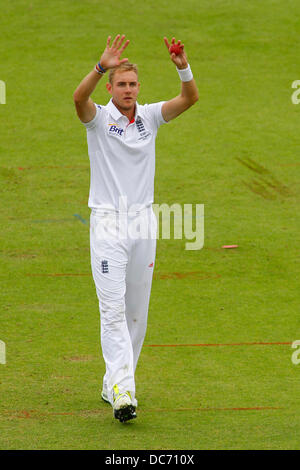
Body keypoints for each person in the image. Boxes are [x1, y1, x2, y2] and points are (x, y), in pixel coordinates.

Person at [73, 34, 199, 422]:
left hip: (144, 222)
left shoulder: (149, 116)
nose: (127, 90)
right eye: (121, 84)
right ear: (111, 88)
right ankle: (125, 392)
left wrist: (182, 66)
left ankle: (114, 380)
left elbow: (190, 98)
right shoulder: (98, 120)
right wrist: (100, 66)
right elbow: (79, 100)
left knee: (135, 314)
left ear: (138, 88)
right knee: (111, 310)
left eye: (132, 84)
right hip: (109, 223)